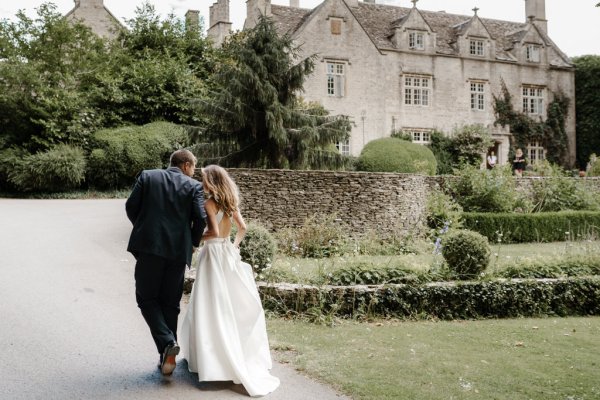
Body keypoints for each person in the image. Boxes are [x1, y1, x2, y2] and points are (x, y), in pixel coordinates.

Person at [180, 165, 280, 397]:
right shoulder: (230, 203)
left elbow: (213, 232)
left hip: (212, 254)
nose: (202, 182)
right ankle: (224, 352)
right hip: (226, 254)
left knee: (209, 303)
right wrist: (233, 247)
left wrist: (193, 238)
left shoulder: (209, 204)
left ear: (211, 182)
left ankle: (212, 359)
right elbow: (242, 228)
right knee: (225, 302)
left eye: (204, 179)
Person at [125, 149, 206, 376]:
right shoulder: (194, 187)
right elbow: (200, 218)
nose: (193, 172)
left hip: (150, 248)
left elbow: (131, 207)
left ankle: (167, 344)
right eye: (194, 167)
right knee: (170, 303)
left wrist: (143, 229)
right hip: (178, 252)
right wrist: (192, 243)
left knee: (146, 297)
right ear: (187, 165)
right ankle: (167, 355)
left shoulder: (148, 176)